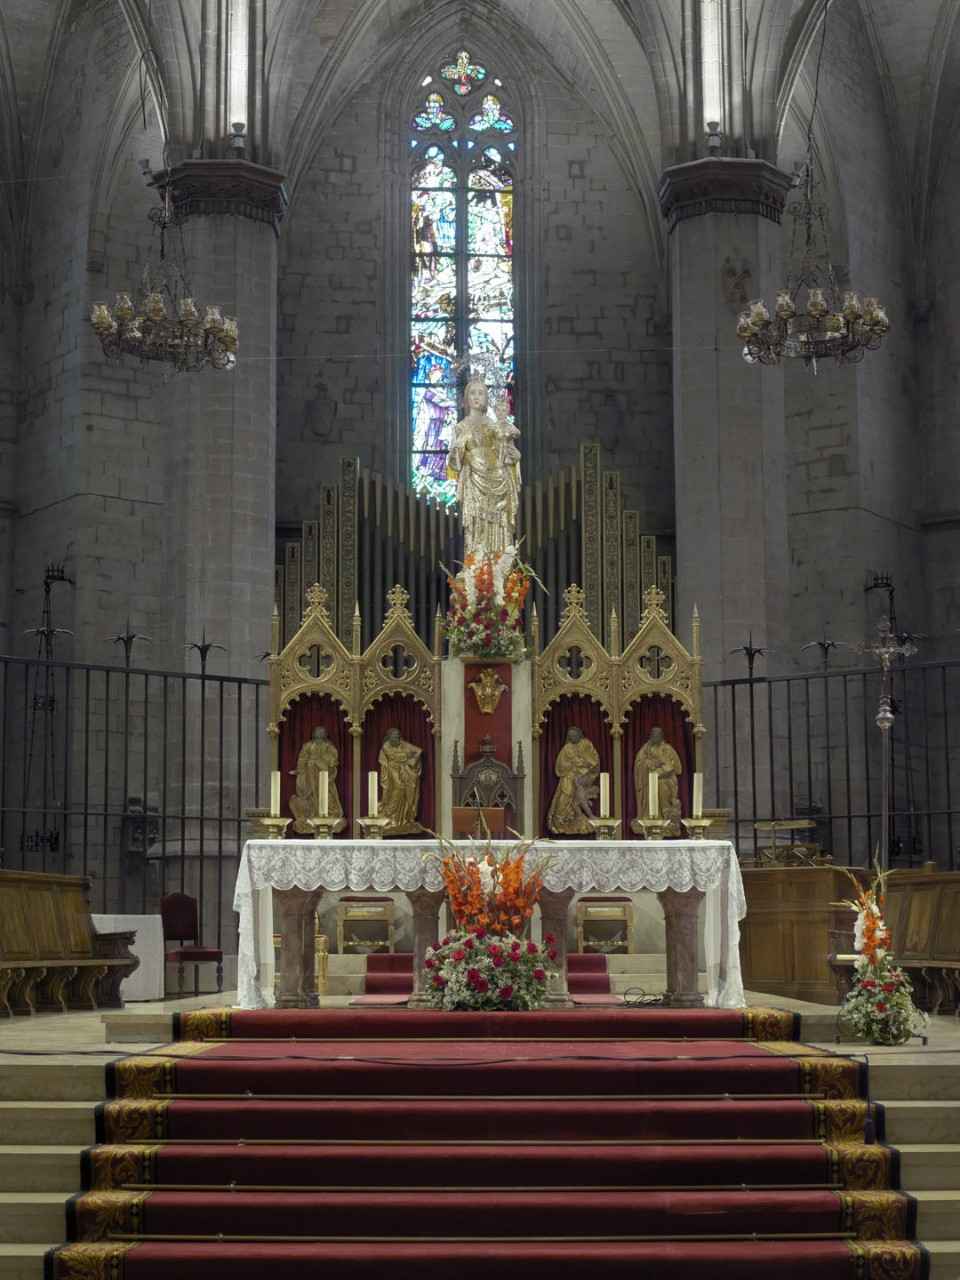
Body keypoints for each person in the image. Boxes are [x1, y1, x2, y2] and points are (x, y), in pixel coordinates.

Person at [446, 377, 520, 560]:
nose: (477, 397)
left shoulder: (495, 426)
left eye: (481, 393)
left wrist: (512, 454)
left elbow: (511, 455)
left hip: (498, 480)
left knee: (498, 524)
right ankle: (476, 567)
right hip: (474, 481)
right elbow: (454, 464)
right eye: (472, 393)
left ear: (487, 398)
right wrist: (460, 444)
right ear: (466, 399)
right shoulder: (460, 428)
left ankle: (499, 564)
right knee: (476, 522)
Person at [289, 726, 345, 835]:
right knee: (310, 795)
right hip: (310, 777)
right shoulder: (308, 746)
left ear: (325, 735)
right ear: (314, 734)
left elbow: (333, 760)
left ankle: (327, 814)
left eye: (322, 732)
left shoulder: (329, 746)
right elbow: (302, 758)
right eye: (317, 732)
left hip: (324, 776)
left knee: (327, 795)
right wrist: (300, 770)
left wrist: (321, 761)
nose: (319, 734)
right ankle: (311, 814)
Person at [546, 726, 600, 836]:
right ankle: (561, 822)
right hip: (568, 778)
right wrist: (572, 765)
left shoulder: (586, 744)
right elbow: (560, 766)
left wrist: (583, 764)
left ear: (579, 734)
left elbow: (593, 761)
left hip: (583, 777)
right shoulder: (567, 748)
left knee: (578, 799)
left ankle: (582, 817)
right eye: (571, 736)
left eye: (575, 735)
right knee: (564, 798)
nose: (573, 737)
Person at [634, 725, 683, 835]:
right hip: (648, 782)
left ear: (661, 736)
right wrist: (646, 765)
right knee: (651, 792)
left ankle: (667, 821)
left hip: (665, 781)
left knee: (662, 789)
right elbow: (639, 764)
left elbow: (676, 768)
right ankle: (650, 820)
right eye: (653, 734)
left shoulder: (668, 749)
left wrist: (658, 771)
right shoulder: (645, 750)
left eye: (658, 734)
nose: (655, 737)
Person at [378, 727, 423, 835]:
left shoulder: (402, 744)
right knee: (398, 788)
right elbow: (395, 757)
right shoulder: (386, 746)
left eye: (398, 736)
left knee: (407, 793)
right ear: (389, 737)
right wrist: (407, 756)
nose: (397, 738)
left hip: (405, 771)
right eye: (394, 736)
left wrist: (412, 760)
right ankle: (390, 816)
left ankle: (403, 819)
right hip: (392, 771)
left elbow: (418, 751)